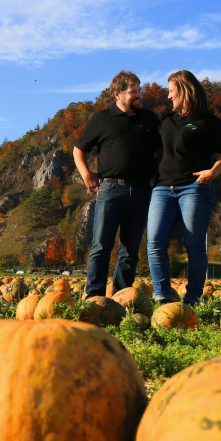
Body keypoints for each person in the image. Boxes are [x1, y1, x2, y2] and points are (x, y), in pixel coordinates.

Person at [73, 71, 161, 298]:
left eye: (139, 90)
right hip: (110, 189)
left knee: (130, 251)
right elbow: (79, 149)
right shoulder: (102, 119)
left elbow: (161, 151)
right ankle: (94, 298)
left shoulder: (150, 119)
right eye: (133, 92)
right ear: (117, 94)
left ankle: (121, 299)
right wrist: (87, 175)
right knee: (101, 247)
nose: (138, 95)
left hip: (142, 189)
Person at [147, 70, 221, 306]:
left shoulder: (209, 122)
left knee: (193, 244)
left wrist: (212, 173)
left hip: (194, 188)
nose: (168, 96)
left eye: (171, 91)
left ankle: (193, 298)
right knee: (154, 242)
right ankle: (162, 297)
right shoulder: (166, 120)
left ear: (184, 91)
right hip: (162, 188)